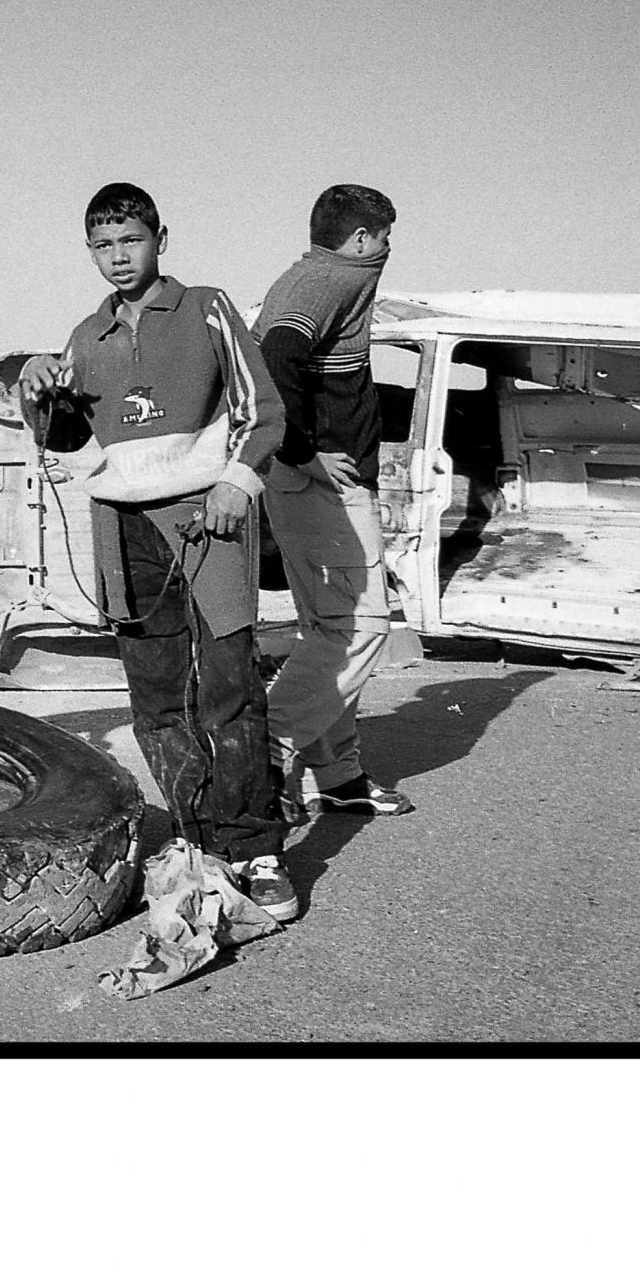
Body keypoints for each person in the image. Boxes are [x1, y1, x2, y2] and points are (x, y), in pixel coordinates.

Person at [18, 182, 299, 918]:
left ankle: (255, 847)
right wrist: (37, 393)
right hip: (123, 529)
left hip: (210, 518)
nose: (118, 257)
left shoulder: (206, 307)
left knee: (230, 687)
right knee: (156, 699)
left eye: (130, 240)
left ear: (160, 238)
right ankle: (198, 841)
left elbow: (262, 409)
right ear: (90, 252)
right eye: (103, 245)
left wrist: (239, 481)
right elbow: (71, 447)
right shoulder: (85, 337)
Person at [253, 182, 417, 822]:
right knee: (363, 627)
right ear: (357, 240)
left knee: (329, 629)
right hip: (322, 484)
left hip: (312, 482)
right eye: (382, 237)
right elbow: (276, 357)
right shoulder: (330, 282)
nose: (386, 248)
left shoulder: (314, 277)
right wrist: (303, 451)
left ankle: (340, 776)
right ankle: (267, 748)